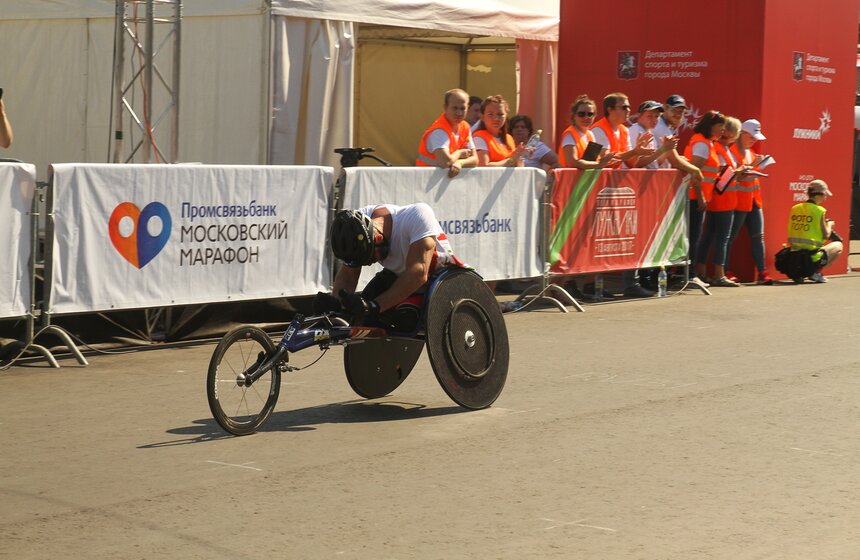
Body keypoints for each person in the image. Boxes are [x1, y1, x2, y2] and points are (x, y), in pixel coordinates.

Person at [315, 204, 465, 331]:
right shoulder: (358, 224)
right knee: (361, 309)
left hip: (438, 281)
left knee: (404, 318)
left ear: (378, 238)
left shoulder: (416, 215)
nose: (371, 264)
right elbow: (348, 274)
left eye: (372, 258)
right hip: (399, 277)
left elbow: (418, 273)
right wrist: (336, 305)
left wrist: (375, 306)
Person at [695, 116, 751, 287]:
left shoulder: (724, 148)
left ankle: (703, 272)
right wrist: (737, 172)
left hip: (724, 197)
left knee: (711, 236)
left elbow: (725, 174)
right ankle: (718, 274)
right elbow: (721, 176)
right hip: (721, 199)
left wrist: (739, 173)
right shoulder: (719, 148)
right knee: (721, 238)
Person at [727, 119, 774, 285]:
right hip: (738, 202)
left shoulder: (752, 152)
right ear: (741, 134)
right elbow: (733, 176)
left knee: (758, 237)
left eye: (756, 137)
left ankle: (763, 272)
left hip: (754, 201)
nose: (754, 140)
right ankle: (726, 271)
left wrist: (758, 165)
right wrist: (753, 166)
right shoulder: (731, 151)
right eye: (751, 136)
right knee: (730, 237)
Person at [683, 110, 727, 287]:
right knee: (693, 237)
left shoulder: (707, 143)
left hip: (698, 196)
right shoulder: (702, 144)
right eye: (720, 125)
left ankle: (689, 273)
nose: (723, 129)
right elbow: (695, 172)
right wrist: (701, 196)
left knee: (694, 236)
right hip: (694, 197)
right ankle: (690, 274)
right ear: (711, 126)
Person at [784, 180, 843, 283]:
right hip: (810, 259)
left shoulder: (795, 208)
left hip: (793, 260)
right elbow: (826, 235)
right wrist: (830, 224)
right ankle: (816, 273)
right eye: (825, 194)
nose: (826, 197)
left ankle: (800, 275)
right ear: (820, 194)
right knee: (838, 245)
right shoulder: (819, 210)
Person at [416, 88, 478, 178]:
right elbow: (445, 162)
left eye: (462, 108)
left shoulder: (465, 127)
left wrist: (460, 163)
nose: (459, 112)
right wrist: (459, 153)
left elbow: (475, 160)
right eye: (455, 108)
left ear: (467, 108)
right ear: (445, 107)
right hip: (425, 180)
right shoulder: (439, 131)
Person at [589, 92, 655, 169]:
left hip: (614, 178)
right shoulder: (598, 130)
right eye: (624, 107)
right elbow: (606, 161)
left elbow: (631, 163)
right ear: (610, 110)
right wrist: (634, 152)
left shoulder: (624, 130)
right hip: (598, 179)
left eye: (629, 107)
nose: (628, 110)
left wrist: (638, 151)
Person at [556, 95, 618, 169]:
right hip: (569, 179)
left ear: (594, 116)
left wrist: (605, 161)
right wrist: (599, 164)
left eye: (590, 114)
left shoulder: (590, 134)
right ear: (574, 116)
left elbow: (591, 161)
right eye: (581, 114)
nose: (586, 117)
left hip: (584, 179)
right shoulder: (569, 135)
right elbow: (572, 162)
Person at [472, 95, 526, 167]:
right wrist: (512, 160)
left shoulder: (509, 138)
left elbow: (519, 167)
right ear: (482, 117)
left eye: (500, 114)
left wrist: (520, 155)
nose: (496, 119)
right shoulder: (479, 138)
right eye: (490, 114)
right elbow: (484, 166)